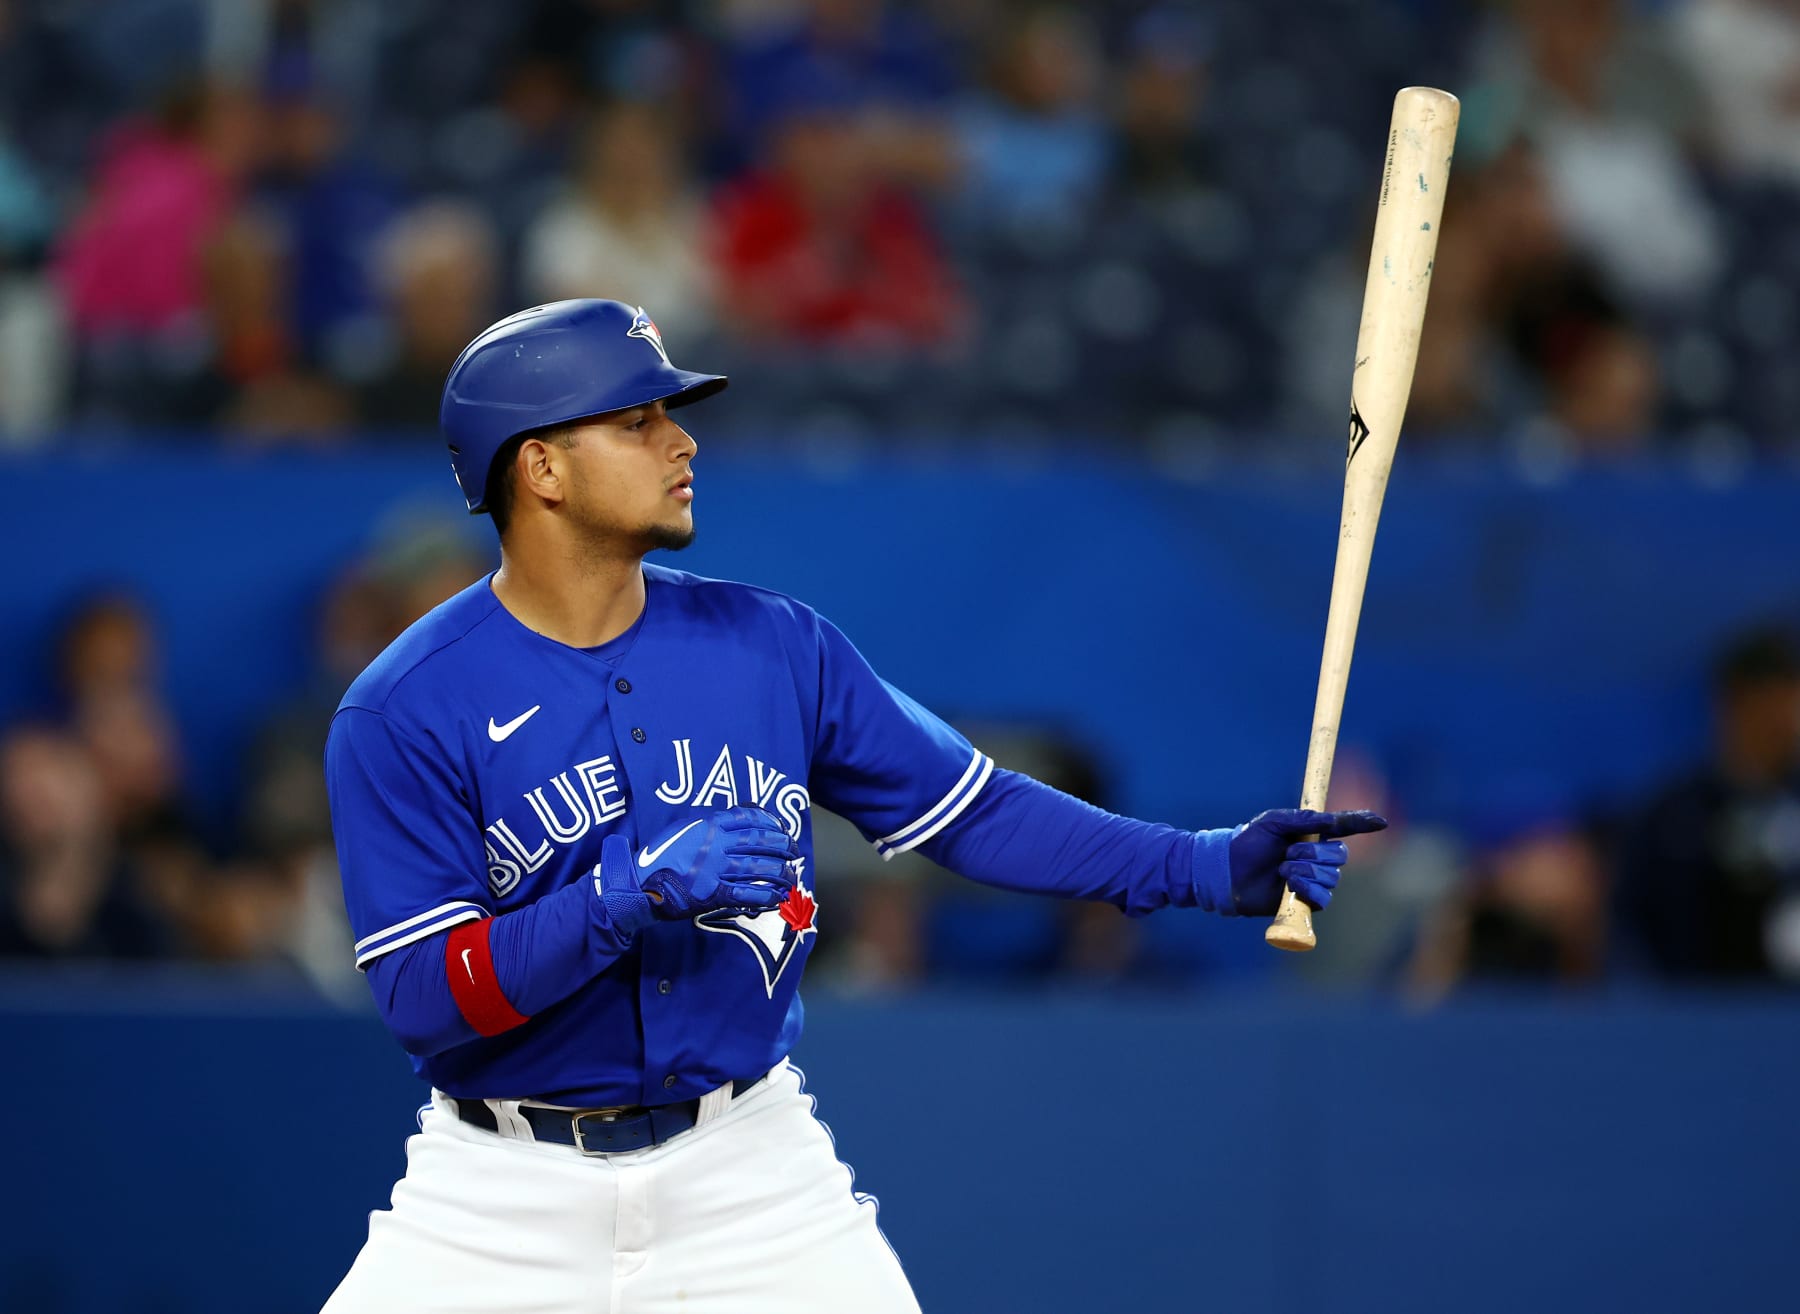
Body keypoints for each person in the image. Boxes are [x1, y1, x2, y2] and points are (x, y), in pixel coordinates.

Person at [320, 297, 1386, 1312]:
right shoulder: (405, 707)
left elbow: (974, 810)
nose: (682, 444)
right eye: (639, 421)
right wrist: (621, 899)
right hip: (500, 1193)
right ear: (542, 466)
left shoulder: (775, 647)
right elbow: (423, 995)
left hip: (746, 1170)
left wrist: (1199, 866)